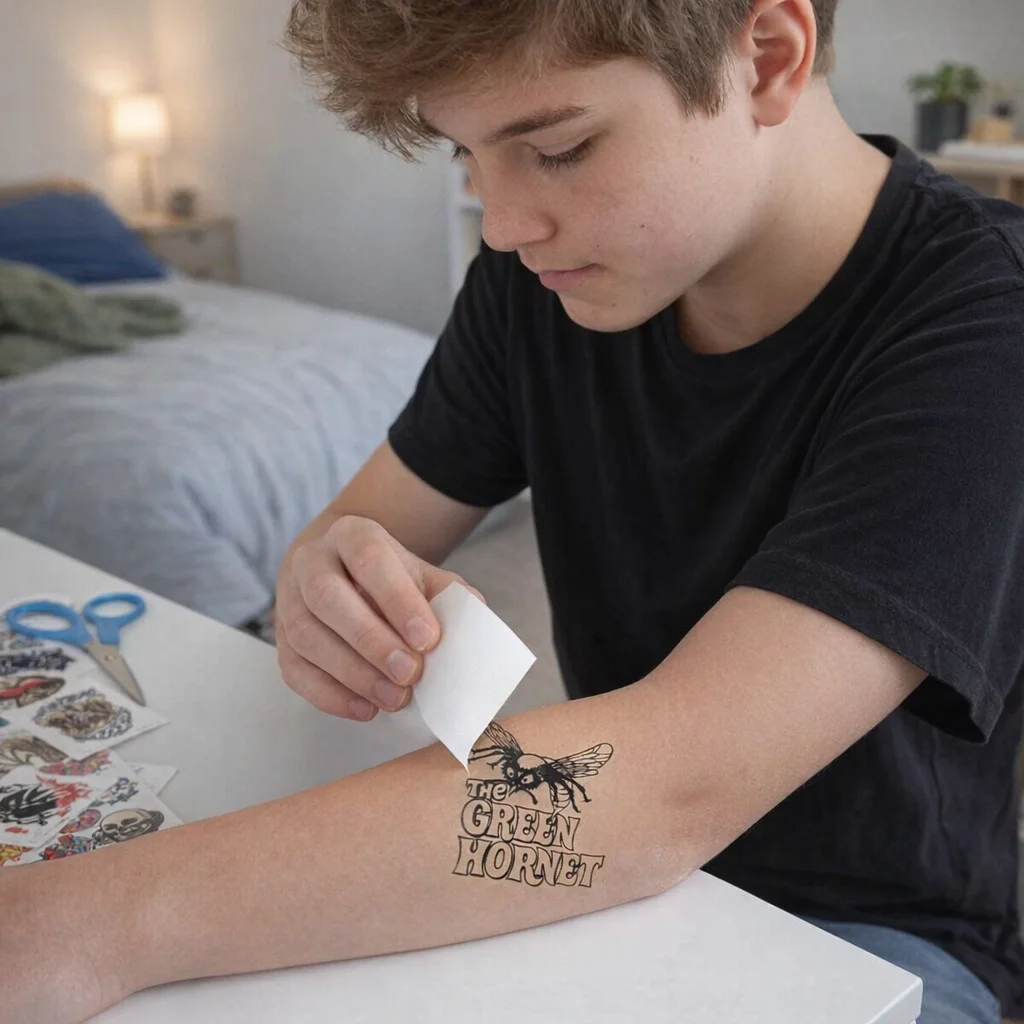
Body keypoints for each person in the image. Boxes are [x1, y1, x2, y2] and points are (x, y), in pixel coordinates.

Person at [4, 1, 1023, 1021]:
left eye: (559, 148)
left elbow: (672, 783)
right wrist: (325, 581)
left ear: (764, 56)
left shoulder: (982, 327)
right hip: (595, 876)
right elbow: (358, 531)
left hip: (873, 943)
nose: (502, 223)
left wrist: (90, 922)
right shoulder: (537, 280)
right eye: (466, 156)